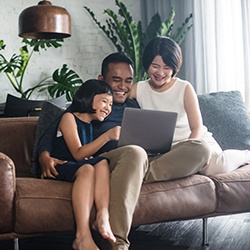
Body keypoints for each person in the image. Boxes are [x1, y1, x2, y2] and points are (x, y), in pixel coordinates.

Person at [37, 53, 148, 250]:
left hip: (114, 162)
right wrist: (44, 156)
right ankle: (106, 239)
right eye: (116, 80)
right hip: (87, 161)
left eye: (128, 81)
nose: (123, 86)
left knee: (116, 159)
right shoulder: (78, 114)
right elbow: (52, 132)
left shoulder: (133, 105)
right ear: (101, 80)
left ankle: (103, 217)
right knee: (110, 160)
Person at [130, 36, 250, 180]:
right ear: (147, 63)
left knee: (214, 168)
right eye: (155, 66)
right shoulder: (138, 89)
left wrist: (187, 151)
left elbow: (197, 128)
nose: (160, 73)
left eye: (167, 68)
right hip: (163, 151)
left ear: (174, 68)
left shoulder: (184, 88)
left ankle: (245, 154)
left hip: (193, 143)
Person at [50, 79, 117, 250]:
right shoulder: (68, 118)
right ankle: (82, 236)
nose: (108, 108)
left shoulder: (89, 125)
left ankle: (102, 216)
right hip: (61, 166)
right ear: (89, 97)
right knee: (87, 168)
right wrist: (108, 136)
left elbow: (85, 155)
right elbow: (78, 153)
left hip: (75, 166)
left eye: (110, 104)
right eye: (104, 101)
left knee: (102, 162)